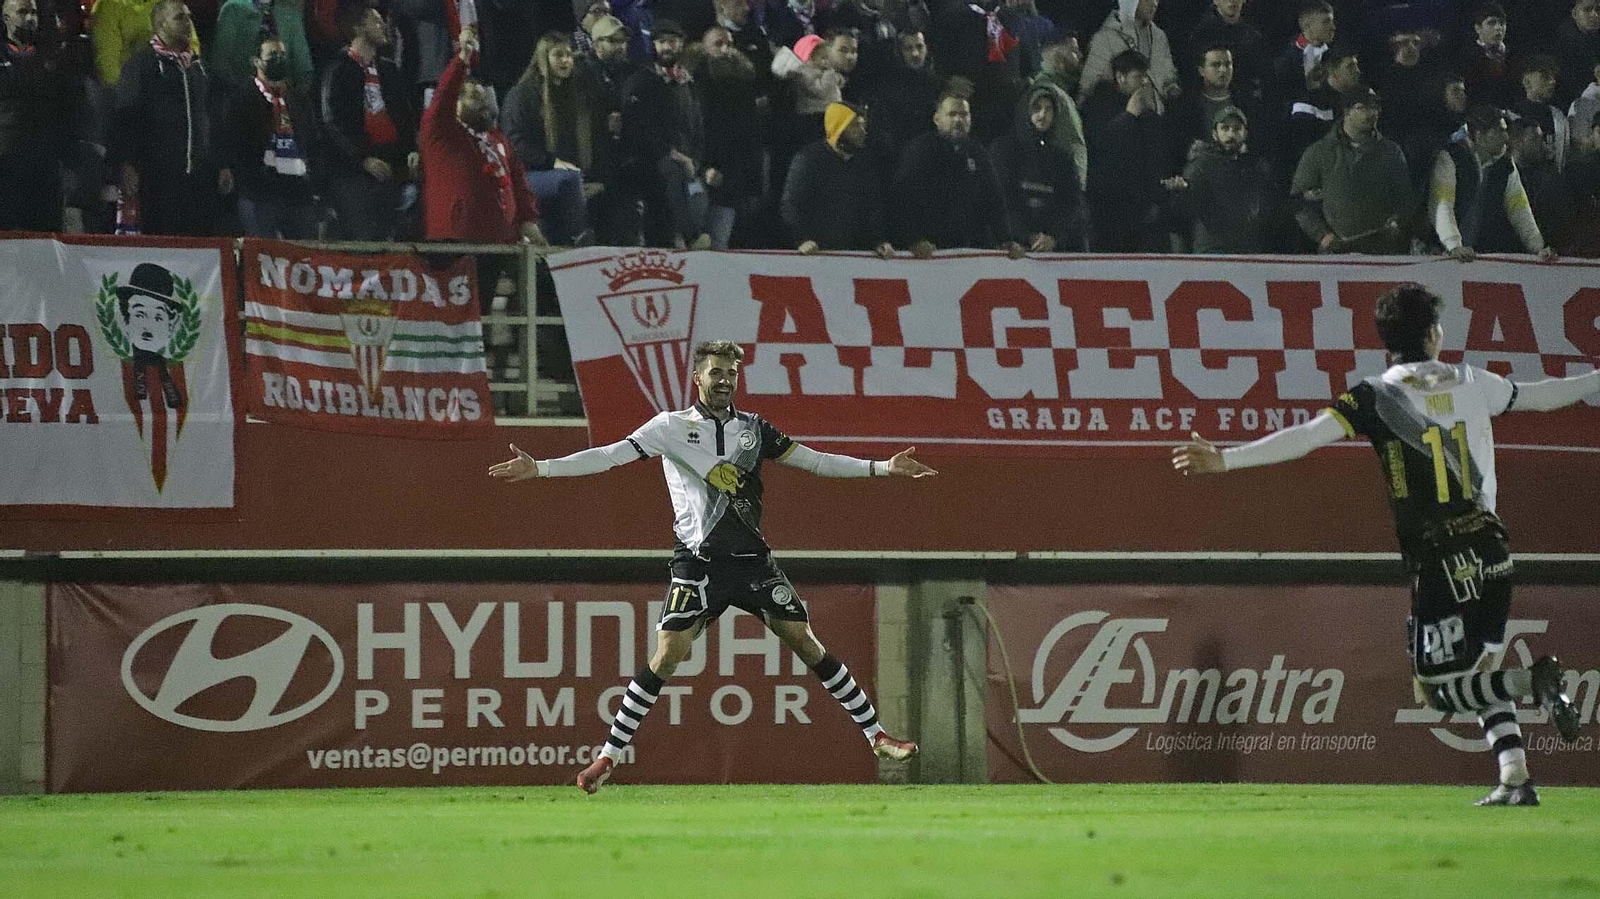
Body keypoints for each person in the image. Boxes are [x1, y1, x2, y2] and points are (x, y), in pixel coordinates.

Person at [1173, 283, 1590, 806]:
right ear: (1434, 335)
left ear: (1385, 343)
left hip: (1439, 557)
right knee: (1482, 669)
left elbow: (1306, 436)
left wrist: (1227, 459)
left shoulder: (1374, 394)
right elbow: (1544, 394)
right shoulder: (1472, 380)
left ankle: (1538, 682)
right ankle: (1514, 775)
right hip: (1493, 547)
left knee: (1436, 691)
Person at [490, 339, 933, 794]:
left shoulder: (754, 430)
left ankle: (876, 736)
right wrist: (541, 468)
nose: (725, 380)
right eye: (716, 372)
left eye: (732, 373)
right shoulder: (669, 427)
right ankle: (608, 757)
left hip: (751, 561)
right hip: (698, 563)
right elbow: (607, 455)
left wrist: (882, 467)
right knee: (668, 654)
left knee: (805, 639)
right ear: (697, 377)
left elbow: (815, 462)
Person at [110, 0, 224, 236]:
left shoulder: (199, 67)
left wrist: (222, 163)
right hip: (157, 181)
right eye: (179, 18)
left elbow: (214, 118)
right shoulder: (141, 65)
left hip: (199, 180)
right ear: (160, 24)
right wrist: (126, 162)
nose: (188, 23)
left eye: (189, 17)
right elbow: (125, 118)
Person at [421, 29, 545, 244]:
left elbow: (519, 181)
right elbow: (443, 96)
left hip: (503, 239)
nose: (485, 104)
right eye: (475, 98)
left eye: (485, 98)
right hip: (457, 241)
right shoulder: (440, 133)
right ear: (456, 105)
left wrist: (528, 219)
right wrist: (462, 59)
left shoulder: (498, 139)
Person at [319, 3, 417, 240]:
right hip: (354, 177)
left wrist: (413, 149)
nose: (383, 25)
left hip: (393, 170)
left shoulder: (390, 71)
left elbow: (405, 115)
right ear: (358, 27)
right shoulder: (338, 70)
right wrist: (362, 158)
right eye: (376, 21)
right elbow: (333, 123)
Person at [893, 87, 1021, 258]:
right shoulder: (919, 151)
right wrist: (913, 239)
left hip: (968, 250)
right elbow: (902, 198)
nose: (959, 120)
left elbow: (994, 200)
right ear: (936, 119)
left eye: (964, 115)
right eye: (952, 114)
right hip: (929, 252)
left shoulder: (978, 153)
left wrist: (1006, 239)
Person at [501, 32, 602, 245]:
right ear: (543, 58)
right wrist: (552, 162)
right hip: (525, 176)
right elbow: (515, 144)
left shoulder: (573, 96)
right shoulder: (522, 95)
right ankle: (580, 238)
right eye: (558, 55)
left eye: (568, 55)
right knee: (569, 179)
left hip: (562, 176)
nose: (565, 60)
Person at [218, 34, 322, 238]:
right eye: (272, 55)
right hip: (260, 194)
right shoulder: (241, 99)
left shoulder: (298, 99)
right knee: (261, 259)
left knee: (303, 260)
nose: (279, 59)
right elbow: (231, 142)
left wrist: (315, 184)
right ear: (256, 61)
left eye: (282, 54)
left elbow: (312, 142)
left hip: (298, 194)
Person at [620, 18, 710, 249]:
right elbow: (638, 128)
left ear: (681, 43)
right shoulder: (641, 81)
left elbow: (698, 128)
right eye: (661, 42)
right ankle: (692, 236)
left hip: (687, 165)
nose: (666, 47)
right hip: (651, 167)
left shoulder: (689, 83)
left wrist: (695, 160)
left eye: (672, 41)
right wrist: (672, 155)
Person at [1291, 87, 1412, 254]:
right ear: (1346, 112)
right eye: (1362, 108)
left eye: (1375, 108)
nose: (1372, 113)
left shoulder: (1391, 152)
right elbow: (1299, 202)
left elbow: (1404, 198)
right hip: (1337, 252)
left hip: (1382, 250)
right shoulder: (1319, 152)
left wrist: (1396, 224)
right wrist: (1323, 236)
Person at [1428, 104, 1556, 260]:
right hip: (1439, 251)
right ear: (1480, 135)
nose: (1506, 137)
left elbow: (1520, 209)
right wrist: (1454, 245)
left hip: (1476, 253)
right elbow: (1442, 205)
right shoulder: (1451, 158)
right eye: (1499, 131)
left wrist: (1538, 248)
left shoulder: (1505, 165)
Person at [0, 0, 81, 232]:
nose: (29, 18)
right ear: (6, 17)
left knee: (44, 240)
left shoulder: (55, 58)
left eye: (33, 12)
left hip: (45, 168)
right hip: (6, 166)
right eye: (22, 11)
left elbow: (70, 110)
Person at [990, 85, 1086, 252]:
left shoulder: (1062, 158)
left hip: (1052, 247)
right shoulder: (1004, 150)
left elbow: (1071, 203)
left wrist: (1053, 237)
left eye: (1048, 109)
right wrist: (1026, 236)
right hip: (1012, 245)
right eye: (1037, 108)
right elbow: (1001, 199)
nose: (1042, 115)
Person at [1179, 105, 1278, 252]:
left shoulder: (1256, 167)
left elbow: (1267, 208)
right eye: (1225, 128)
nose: (1231, 134)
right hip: (1212, 249)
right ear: (1215, 133)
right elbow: (1185, 211)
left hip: (1248, 250)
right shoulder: (1201, 165)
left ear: (1245, 133)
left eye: (1237, 128)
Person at [1079, 0, 1177, 103]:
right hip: (1118, 113)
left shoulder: (1159, 37)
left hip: (1153, 115)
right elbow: (1088, 87)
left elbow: (1168, 78)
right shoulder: (1105, 38)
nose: (1155, 4)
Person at [1461, 3, 1516, 111]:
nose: (1498, 28)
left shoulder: (1515, 55)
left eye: (1502, 23)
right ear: (1478, 28)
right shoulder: (1466, 58)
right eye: (1491, 23)